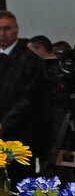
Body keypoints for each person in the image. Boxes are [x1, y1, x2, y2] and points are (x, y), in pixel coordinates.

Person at [0, 10, 48, 182]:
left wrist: (4, 125)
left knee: (17, 185)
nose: (2, 33)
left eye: (7, 28)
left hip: (21, 137)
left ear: (16, 30)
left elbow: (28, 100)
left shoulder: (31, 60)